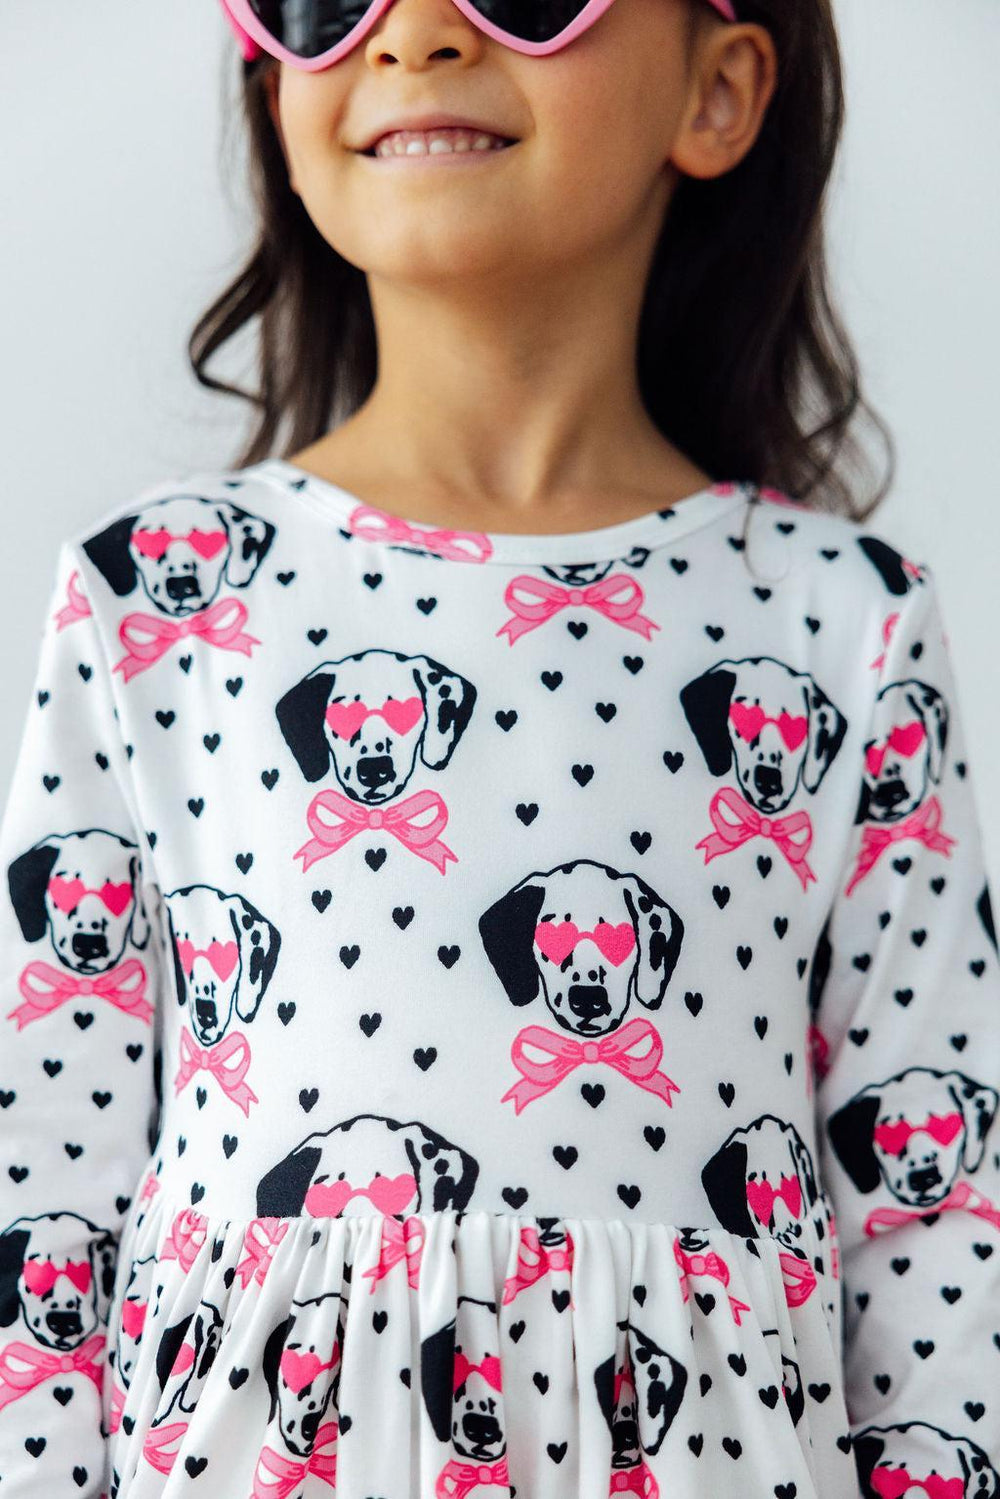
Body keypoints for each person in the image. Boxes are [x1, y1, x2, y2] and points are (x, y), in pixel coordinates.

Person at [1, 0, 997, 1493]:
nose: (411, 35)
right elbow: (44, 1172)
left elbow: (937, 1221)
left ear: (719, 91)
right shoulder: (156, 597)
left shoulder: (844, 628)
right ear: (275, 94)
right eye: (327, 0)